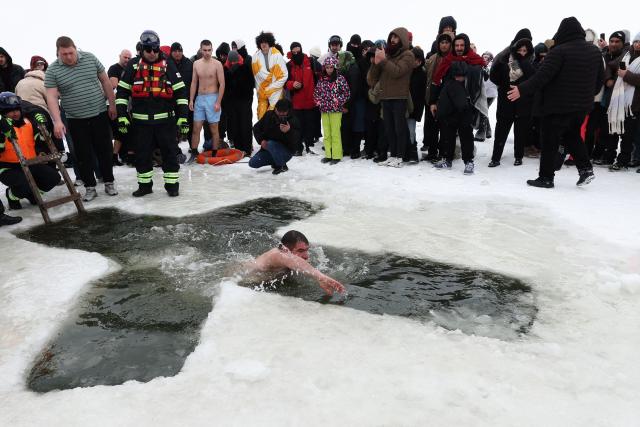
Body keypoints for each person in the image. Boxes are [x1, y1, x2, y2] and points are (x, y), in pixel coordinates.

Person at [508, 17, 604, 188]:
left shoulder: (559, 51)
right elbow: (599, 82)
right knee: (572, 135)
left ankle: (546, 177)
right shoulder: (595, 52)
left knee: (550, 141)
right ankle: (585, 169)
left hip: (556, 106)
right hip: (581, 106)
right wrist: (586, 95)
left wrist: (521, 89)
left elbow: (541, 77)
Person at [116, 30, 189, 197]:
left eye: (155, 50)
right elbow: (121, 94)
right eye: (148, 50)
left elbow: (181, 94)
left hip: (166, 122)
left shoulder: (168, 65)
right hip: (141, 124)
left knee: (170, 154)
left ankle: (172, 186)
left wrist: (183, 118)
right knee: (141, 156)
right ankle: (145, 186)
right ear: (142, 49)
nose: (152, 53)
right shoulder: (133, 66)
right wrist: (122, 116)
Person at [44, 36, 117, 201]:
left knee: (104, 150)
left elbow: (105, 81)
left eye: (71, 52)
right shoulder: (53, 70)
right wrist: (57, 121)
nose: (68, 57)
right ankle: (90, 187)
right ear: (58, 53)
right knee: (83, 155)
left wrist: (111, 105)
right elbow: (52, 97)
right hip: (75, 118)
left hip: (99, 113)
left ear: (75, 48)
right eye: (64, 54)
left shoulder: (90, 58)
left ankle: (109, 182)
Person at [0, 92, 61, 210]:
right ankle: (12, 196)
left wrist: (44, 126)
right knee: (24, 184)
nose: (15, 113)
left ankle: (33, 194)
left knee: (53, 178)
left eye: (17, 109)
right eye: (10, 110)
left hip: (30, 163)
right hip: (8, 167)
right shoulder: (2, 127)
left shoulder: (28, 122)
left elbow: (41, 141)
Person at [367, 27, 415, 168]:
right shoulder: (387, 56)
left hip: (399, 97)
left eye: (396, 37)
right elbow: (371, 79)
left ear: (403, 39)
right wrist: (375, 63)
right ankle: (393, 155)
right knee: (389, 128)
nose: (392, 40)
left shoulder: (408, 55)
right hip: (385, 97)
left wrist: (382, 61)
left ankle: (400, 156)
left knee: (399, 129)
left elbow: (397, 71)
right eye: (391, 37)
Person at [488, 29, 536, 167]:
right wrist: (498, 67)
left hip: (523, 104)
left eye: (525, 50)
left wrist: (524, 63)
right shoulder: (505, 59)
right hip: (506, 102)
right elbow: (495, 77)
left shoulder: (531, 62)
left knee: (520, 132)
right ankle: (495, 157)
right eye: (519, 50)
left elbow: (533, 80)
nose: (522, 53)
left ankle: (518, 156)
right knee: (501, 131)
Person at [250, 230, 346, 296]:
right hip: (244, 279)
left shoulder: (291, 259)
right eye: (300, 251)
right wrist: (321, 277)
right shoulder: (277, 255)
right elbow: (291, 259)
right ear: (285, 249)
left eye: (306, 250)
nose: (306, 256)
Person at [186, 40, 225, 163]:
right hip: (200, 98)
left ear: (212, 50)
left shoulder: (217, 64)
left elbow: (222, 83)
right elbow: (194, 82)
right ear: (201, 50)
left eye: (209, 50)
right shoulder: (196, 64)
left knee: (214, 128)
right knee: (196, 128)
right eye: (205, 50)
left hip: (213, 97)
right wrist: (191, 99)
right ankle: (193, 152)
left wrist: (218, 101)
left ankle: (214, 153)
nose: (207, 53)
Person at [314, 56, 350, 165]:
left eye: (331, 67)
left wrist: (337, 101)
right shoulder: (322, 80)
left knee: (335, 133)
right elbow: (316, 93)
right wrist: (319, 102)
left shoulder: (340, 79)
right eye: (327, 67)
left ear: (335, 67)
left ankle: (336, 155)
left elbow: (346, 93)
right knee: (327, 133)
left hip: (335, 110)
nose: (329, 69)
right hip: (324, 110)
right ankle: (328, 155)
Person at [249, 98, 299, 174]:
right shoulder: (268, 115)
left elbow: (297, 139)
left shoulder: (293, 119)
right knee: (253, 162)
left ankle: (282, 166)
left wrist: (288, 131)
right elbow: (256, 128)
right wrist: (261, 140)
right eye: (279, 111)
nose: (282, 113)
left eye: (284, 111)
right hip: (269, 149)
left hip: (286, 152)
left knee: (271, 143)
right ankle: (276, 161)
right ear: (275, 109)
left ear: (288, 110)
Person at [285, 42, 316, 155]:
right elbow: (284, 82)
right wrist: (292, 84)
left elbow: (320, 77)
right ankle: (298, 148)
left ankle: (309, 147)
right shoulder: (288, 65)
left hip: (310, 101)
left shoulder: (311, 62)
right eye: (294, 52)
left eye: (298, 51)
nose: (296, 53)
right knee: (296, 127)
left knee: (309, 126)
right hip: (296, 102)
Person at [226, 40, 254, 157]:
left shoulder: (246, 67)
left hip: (244, 101)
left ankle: (246, 149)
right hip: (234, 102)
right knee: (236, 124)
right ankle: (239, 149)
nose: (234, 63)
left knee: (245, 124)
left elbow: (250, 85)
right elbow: (226, 87)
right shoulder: (227, 71)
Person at [252, 32, 288, 120]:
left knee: (276, 114)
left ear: (270, 43)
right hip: (262, 90)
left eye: (266, 42)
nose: (263, 44)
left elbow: (283, 75)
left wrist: (271, 87)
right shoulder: (255, 57)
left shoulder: (277, 55)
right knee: (262, 114)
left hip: (276, 90)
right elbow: (257, 77)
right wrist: (265, 88)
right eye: (261, 42)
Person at [108, 49, 133, 166]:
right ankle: (114, 156)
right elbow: (114, 85)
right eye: (125, 57)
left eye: (129, 58)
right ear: (120, 56)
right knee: (120, 131)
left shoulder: (130, 69)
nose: (127, 60)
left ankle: (123, 155)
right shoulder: (114, 68)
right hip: (115, 104)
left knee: (125, 131)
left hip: (126, 105)